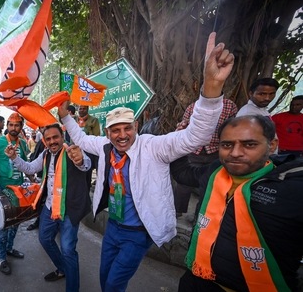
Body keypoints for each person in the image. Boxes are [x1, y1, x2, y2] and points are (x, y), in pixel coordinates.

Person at [57, 32, 234, 291]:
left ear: (136, 126)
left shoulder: (154, 146)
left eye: (127, 128)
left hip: (138, 233)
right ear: (107, 133)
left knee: (114, 284)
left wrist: (211, 88)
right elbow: (82, 141)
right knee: (105, 279)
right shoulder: (105, 146)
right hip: (113, 228)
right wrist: (65, 117)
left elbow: (196, 136)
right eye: (115, 130)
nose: (121, 135)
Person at [170, 115, 303, 291]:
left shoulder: (293, 187)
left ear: (271, 145)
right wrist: (180, 140)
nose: (235, 153)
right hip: (197, 280)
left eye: (249, 145)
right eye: (227, 145)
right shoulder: (215, 171)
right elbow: (183, 174)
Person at [6, 123, 92, 291]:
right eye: (48, 139)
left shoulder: (72, 151)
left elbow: (85, 164)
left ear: (62, 137)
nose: (52, 141)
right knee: (44, 238)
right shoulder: (45, 154)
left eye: (55, 137)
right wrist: (14, 157)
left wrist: (80, 159)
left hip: (69, 209)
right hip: (49, 207)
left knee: (68, 250)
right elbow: (30, 168)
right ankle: (63, 269)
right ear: (44, 141)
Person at [172, 98, 238, 218]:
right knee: (184, 182)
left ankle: (200, 215)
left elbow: (232, 126)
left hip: (215, 151)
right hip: (195, 150)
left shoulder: (229, 105)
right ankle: (177, 210)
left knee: (209, 184)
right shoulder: (194, 106)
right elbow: (185, 124)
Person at [0, 112, 30, 275]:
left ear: (21, 127)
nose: (13, 128)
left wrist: (34, 180)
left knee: (16, 223)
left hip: (19, 192)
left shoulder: (24, 144)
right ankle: (2, 257)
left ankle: (10, 249)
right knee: (3, 227)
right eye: (10, 124)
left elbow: (26, 165)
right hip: (3, 190)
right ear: (7, 126)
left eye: (17, 125)